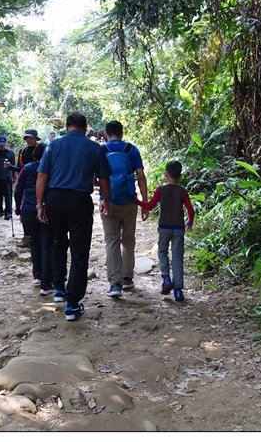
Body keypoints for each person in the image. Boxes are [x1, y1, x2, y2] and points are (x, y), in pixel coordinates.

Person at [36, 112, 112, 322]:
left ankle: (59, 288)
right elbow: (104, 178)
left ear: (68, 126)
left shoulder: (53, 145)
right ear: (85, 128)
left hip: (55, 199)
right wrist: (106, 200)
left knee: (58, 243)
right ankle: (72, 304)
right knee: (79, 252)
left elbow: (42, 175)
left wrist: (40, 204)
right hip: (80, 201)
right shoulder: (95, 148)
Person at [99, 120, 149, 298]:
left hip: (108, 201)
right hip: (129, 201)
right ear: (122, 132)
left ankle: (115, 284)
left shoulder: (102, 150)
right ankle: (127, 278)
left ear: (106, 133)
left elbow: (93, 178)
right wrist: (145, 202)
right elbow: (141, 177)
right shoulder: (131, 150)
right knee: (128, 240)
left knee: (111, 241)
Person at [135, 160, 195, 302]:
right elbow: (191, 210)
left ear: (166, 174)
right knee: (177, 257)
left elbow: (149, 206)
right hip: (178, 228)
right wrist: (190, 222)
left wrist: (136, 201)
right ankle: (178, 291)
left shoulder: (161, 190)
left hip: (164, 228)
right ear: (180, 175)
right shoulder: (183, 191)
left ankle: (166, 278)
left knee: (162, 252)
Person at [14, 142, 54, 295]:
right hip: (45, 210)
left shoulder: (26, 169)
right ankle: (46, 283)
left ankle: (37, 276)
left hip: (28, 211)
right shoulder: (50, 169)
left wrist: (18, 208)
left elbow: (18, 190)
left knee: (35, 242)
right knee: (47, 244)